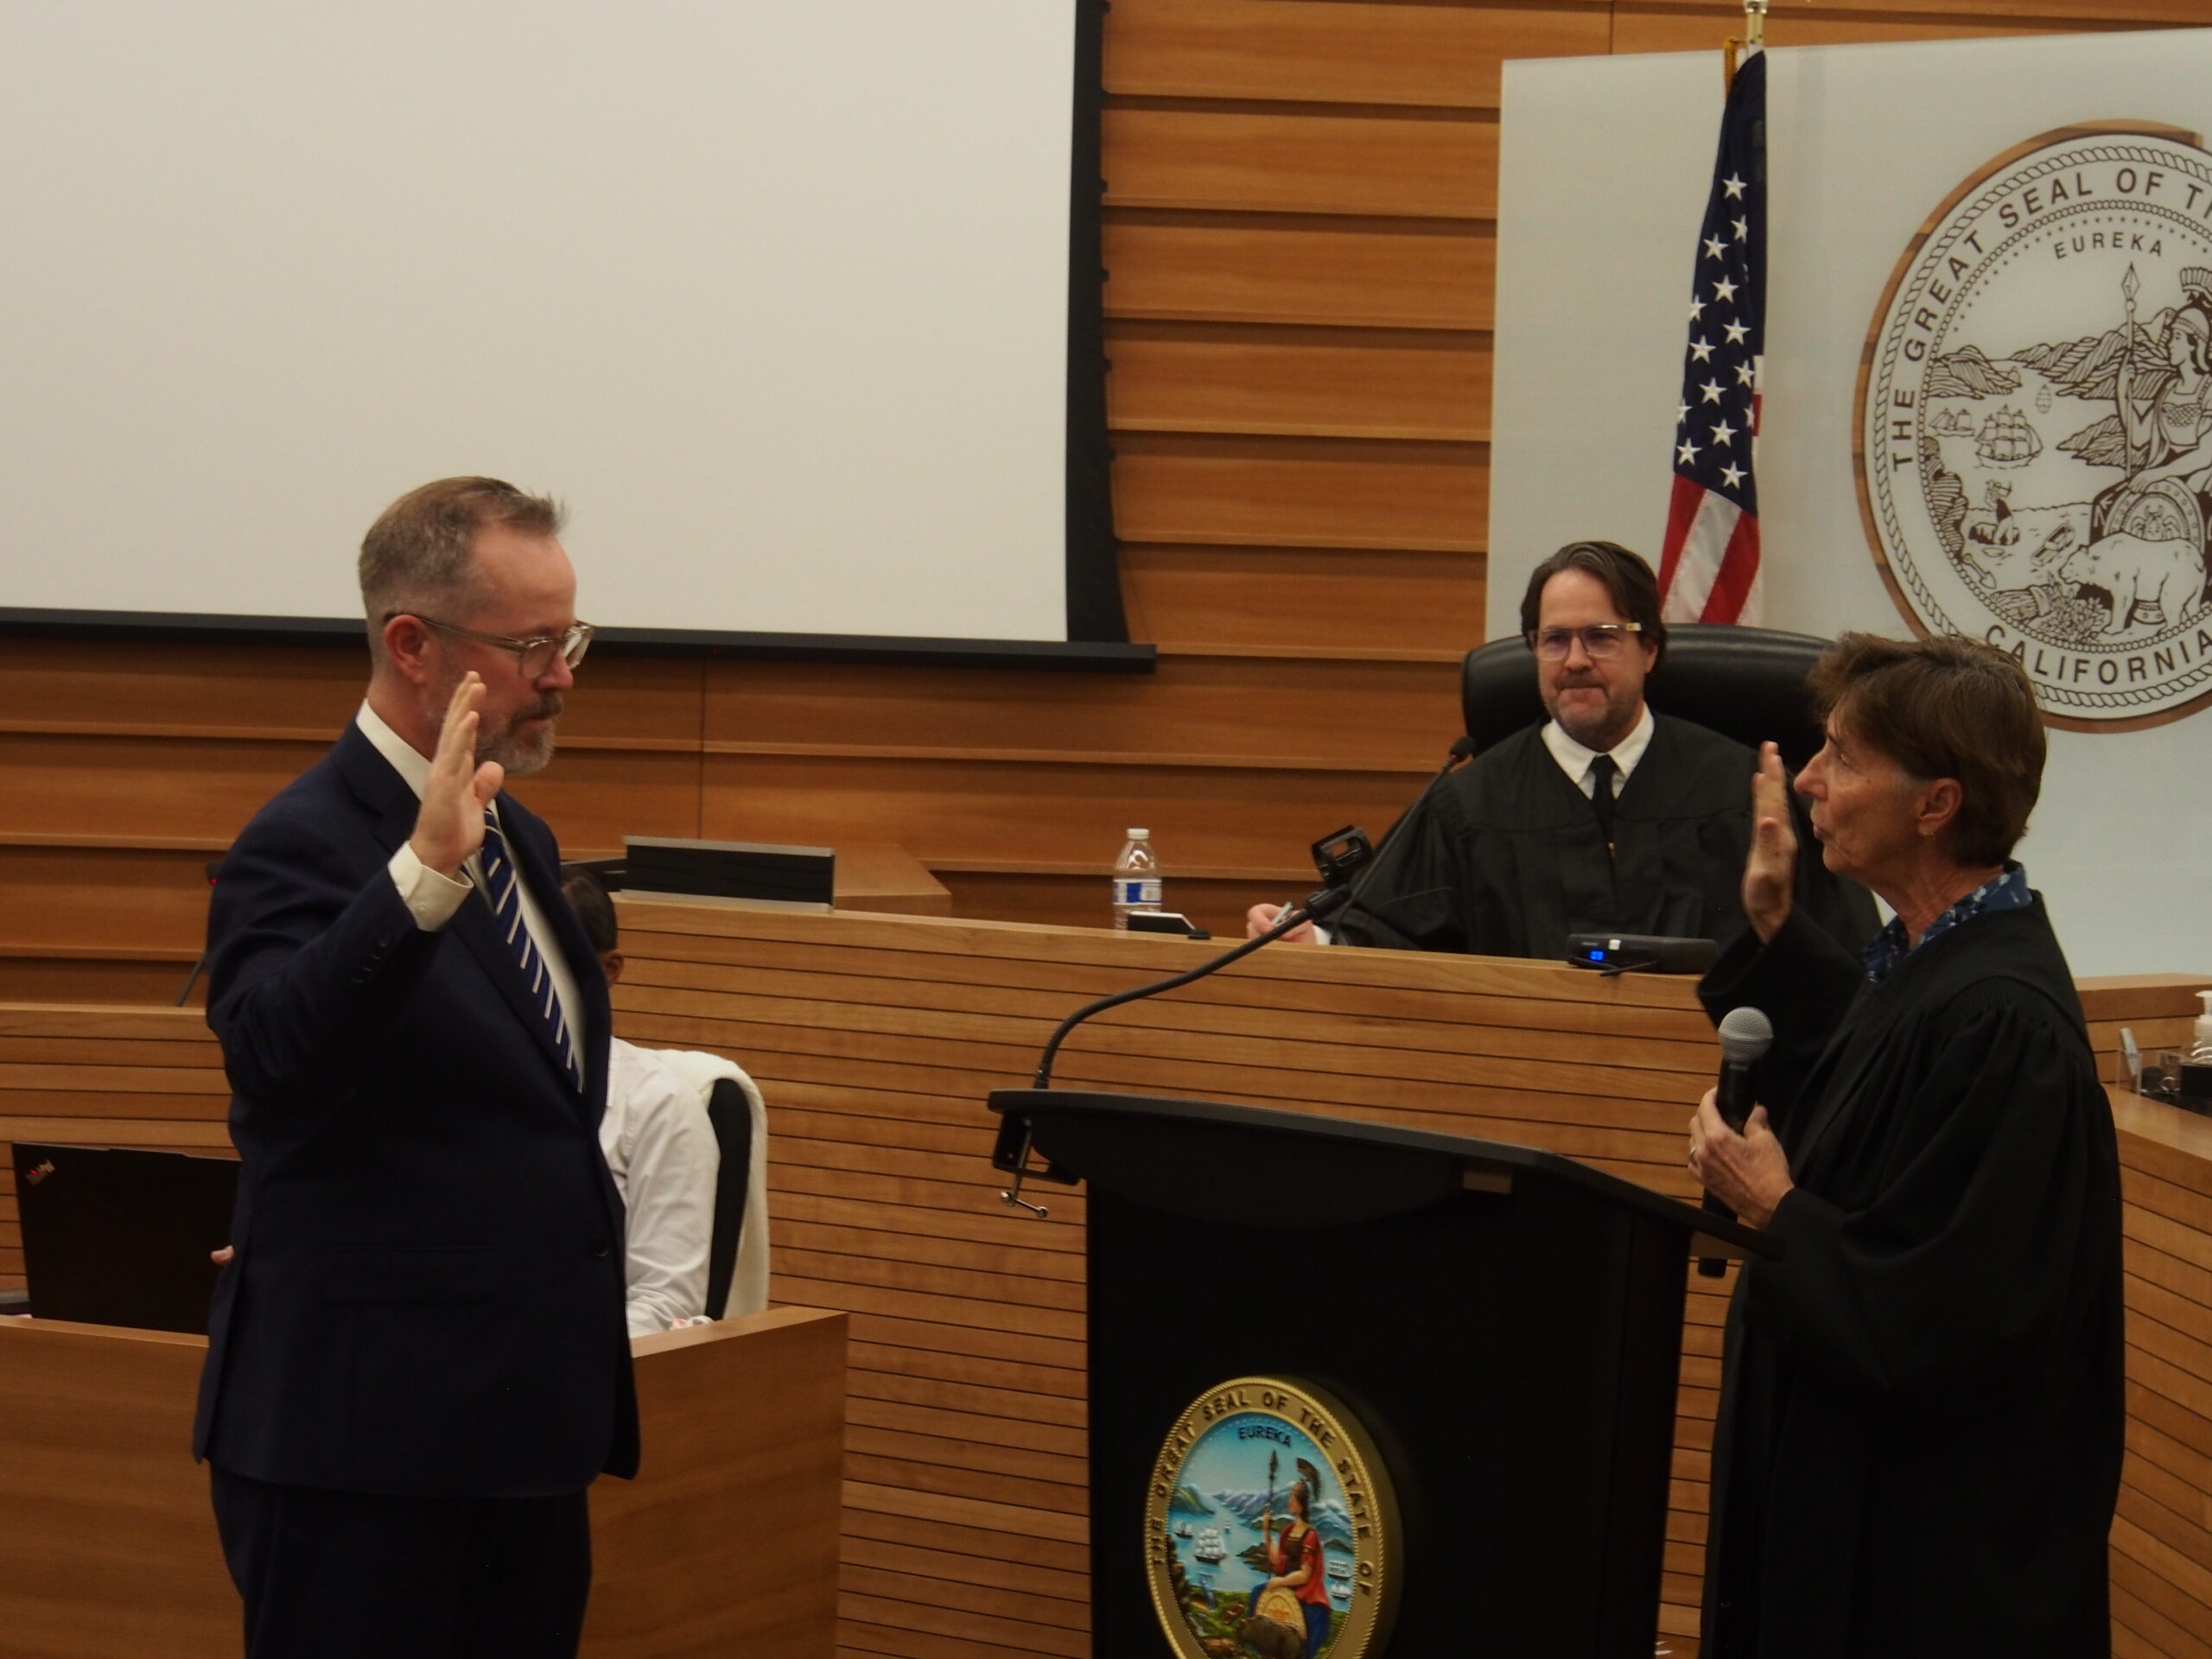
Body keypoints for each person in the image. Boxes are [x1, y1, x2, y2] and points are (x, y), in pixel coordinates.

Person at [194, 477, 637, 1659]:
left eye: (572, 637)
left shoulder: (526, 840)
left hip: (521, 1444)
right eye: (535, 645)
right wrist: (419, 881)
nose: (563, 675)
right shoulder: (300, 842)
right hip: (363, 1457)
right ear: (411, 645)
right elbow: (275, 1059)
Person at [1687, 632, 2122, 1657]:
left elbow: (1949, 1312)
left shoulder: (2004, 1030)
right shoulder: (1929, 965)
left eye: (1840, 756)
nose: (1807, 780)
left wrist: (1773, 1209)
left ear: (1935, 804)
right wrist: (1777, 925)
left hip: (1925, 1568)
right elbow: (1874, 1104)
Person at [1245, 541, 1875, 958]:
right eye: (1554, 640)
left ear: (1650, 648)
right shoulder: (1469, 803)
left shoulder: (1746, 791)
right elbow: (1384, 937)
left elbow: (1844, 959)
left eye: (1601, 637)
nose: (1575, 661)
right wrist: (1317, 941)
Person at [561, 869, 723, 1336]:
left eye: (557, 957)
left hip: (573, 1373)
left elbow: (665, 1303)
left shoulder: (660, 1105)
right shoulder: (471, 1089)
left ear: (609, 970)